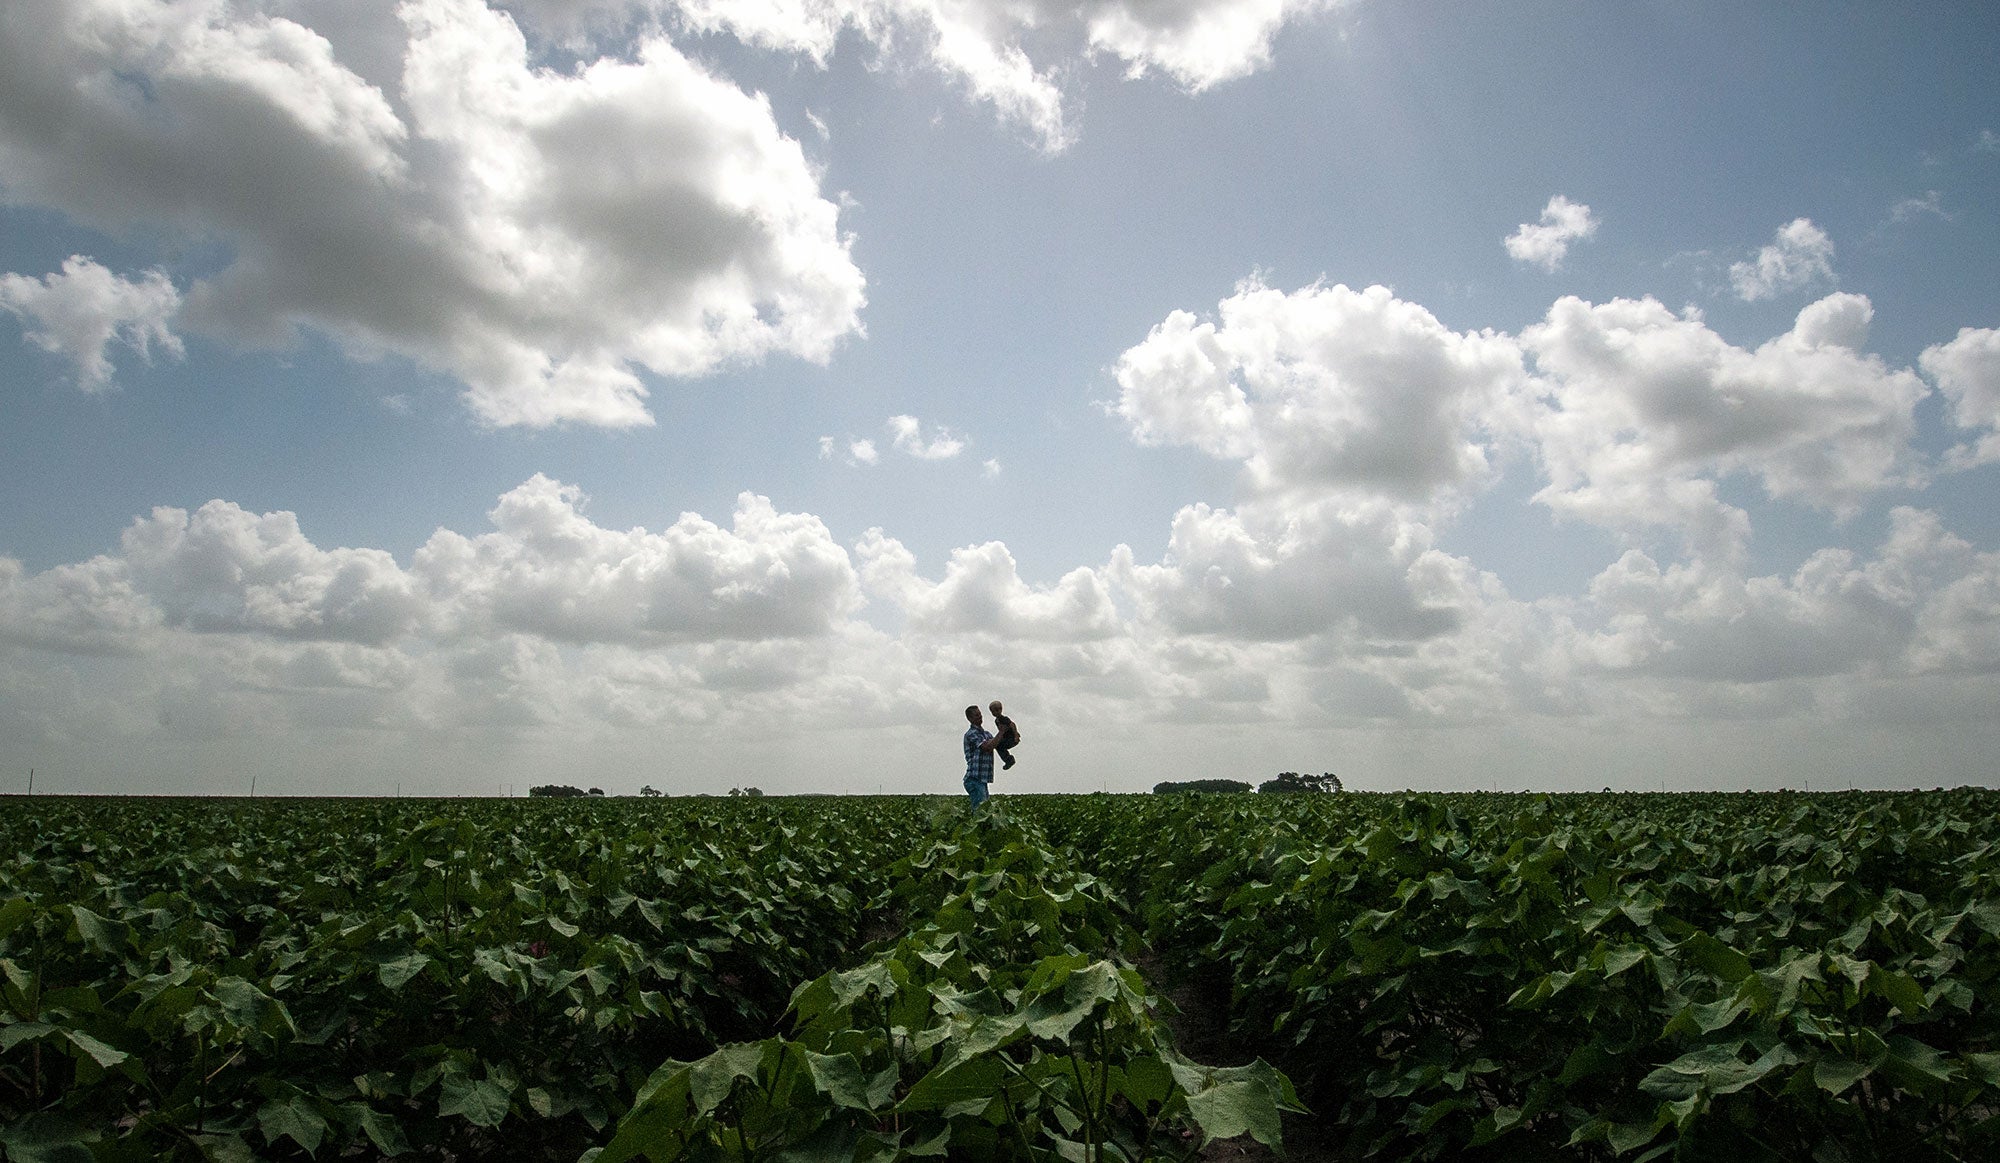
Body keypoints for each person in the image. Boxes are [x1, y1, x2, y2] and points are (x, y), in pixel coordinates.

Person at [962, 704, 997, 809]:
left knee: (984, 811)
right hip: (974, 779)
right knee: (980, 812)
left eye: (980, 714)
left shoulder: (986, 734)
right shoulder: (971, 734)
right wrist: (1002, 732)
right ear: (970, 718)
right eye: (976, 715)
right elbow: (986, 747)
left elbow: (997, 743)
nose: (980, 717)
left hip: (982, 780)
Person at [988, 700, 1020, 769]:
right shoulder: (997, 721)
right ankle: (1008, 759)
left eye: (998, 710)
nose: (996, 712)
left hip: (1011, 738)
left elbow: (1012, 724)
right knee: (998, 745)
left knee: (999, 746)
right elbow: (1001, 731)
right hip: (1006, 737)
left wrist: (1016, 736)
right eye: (993, 711)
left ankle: (1009, 760)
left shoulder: (1004, 719)